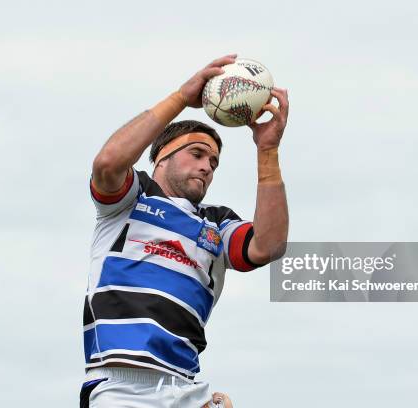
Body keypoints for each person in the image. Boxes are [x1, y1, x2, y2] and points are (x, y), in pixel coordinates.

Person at [80, 54, 289, 407]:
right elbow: (108, 163)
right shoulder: (130, 199)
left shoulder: (217, 222)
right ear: (162, 157)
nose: (207, 166)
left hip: (188, 387)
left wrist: (267, 150)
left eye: (214, 162)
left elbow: (268, 246)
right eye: (197, 154)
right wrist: (180, 98)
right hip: (121, 386)